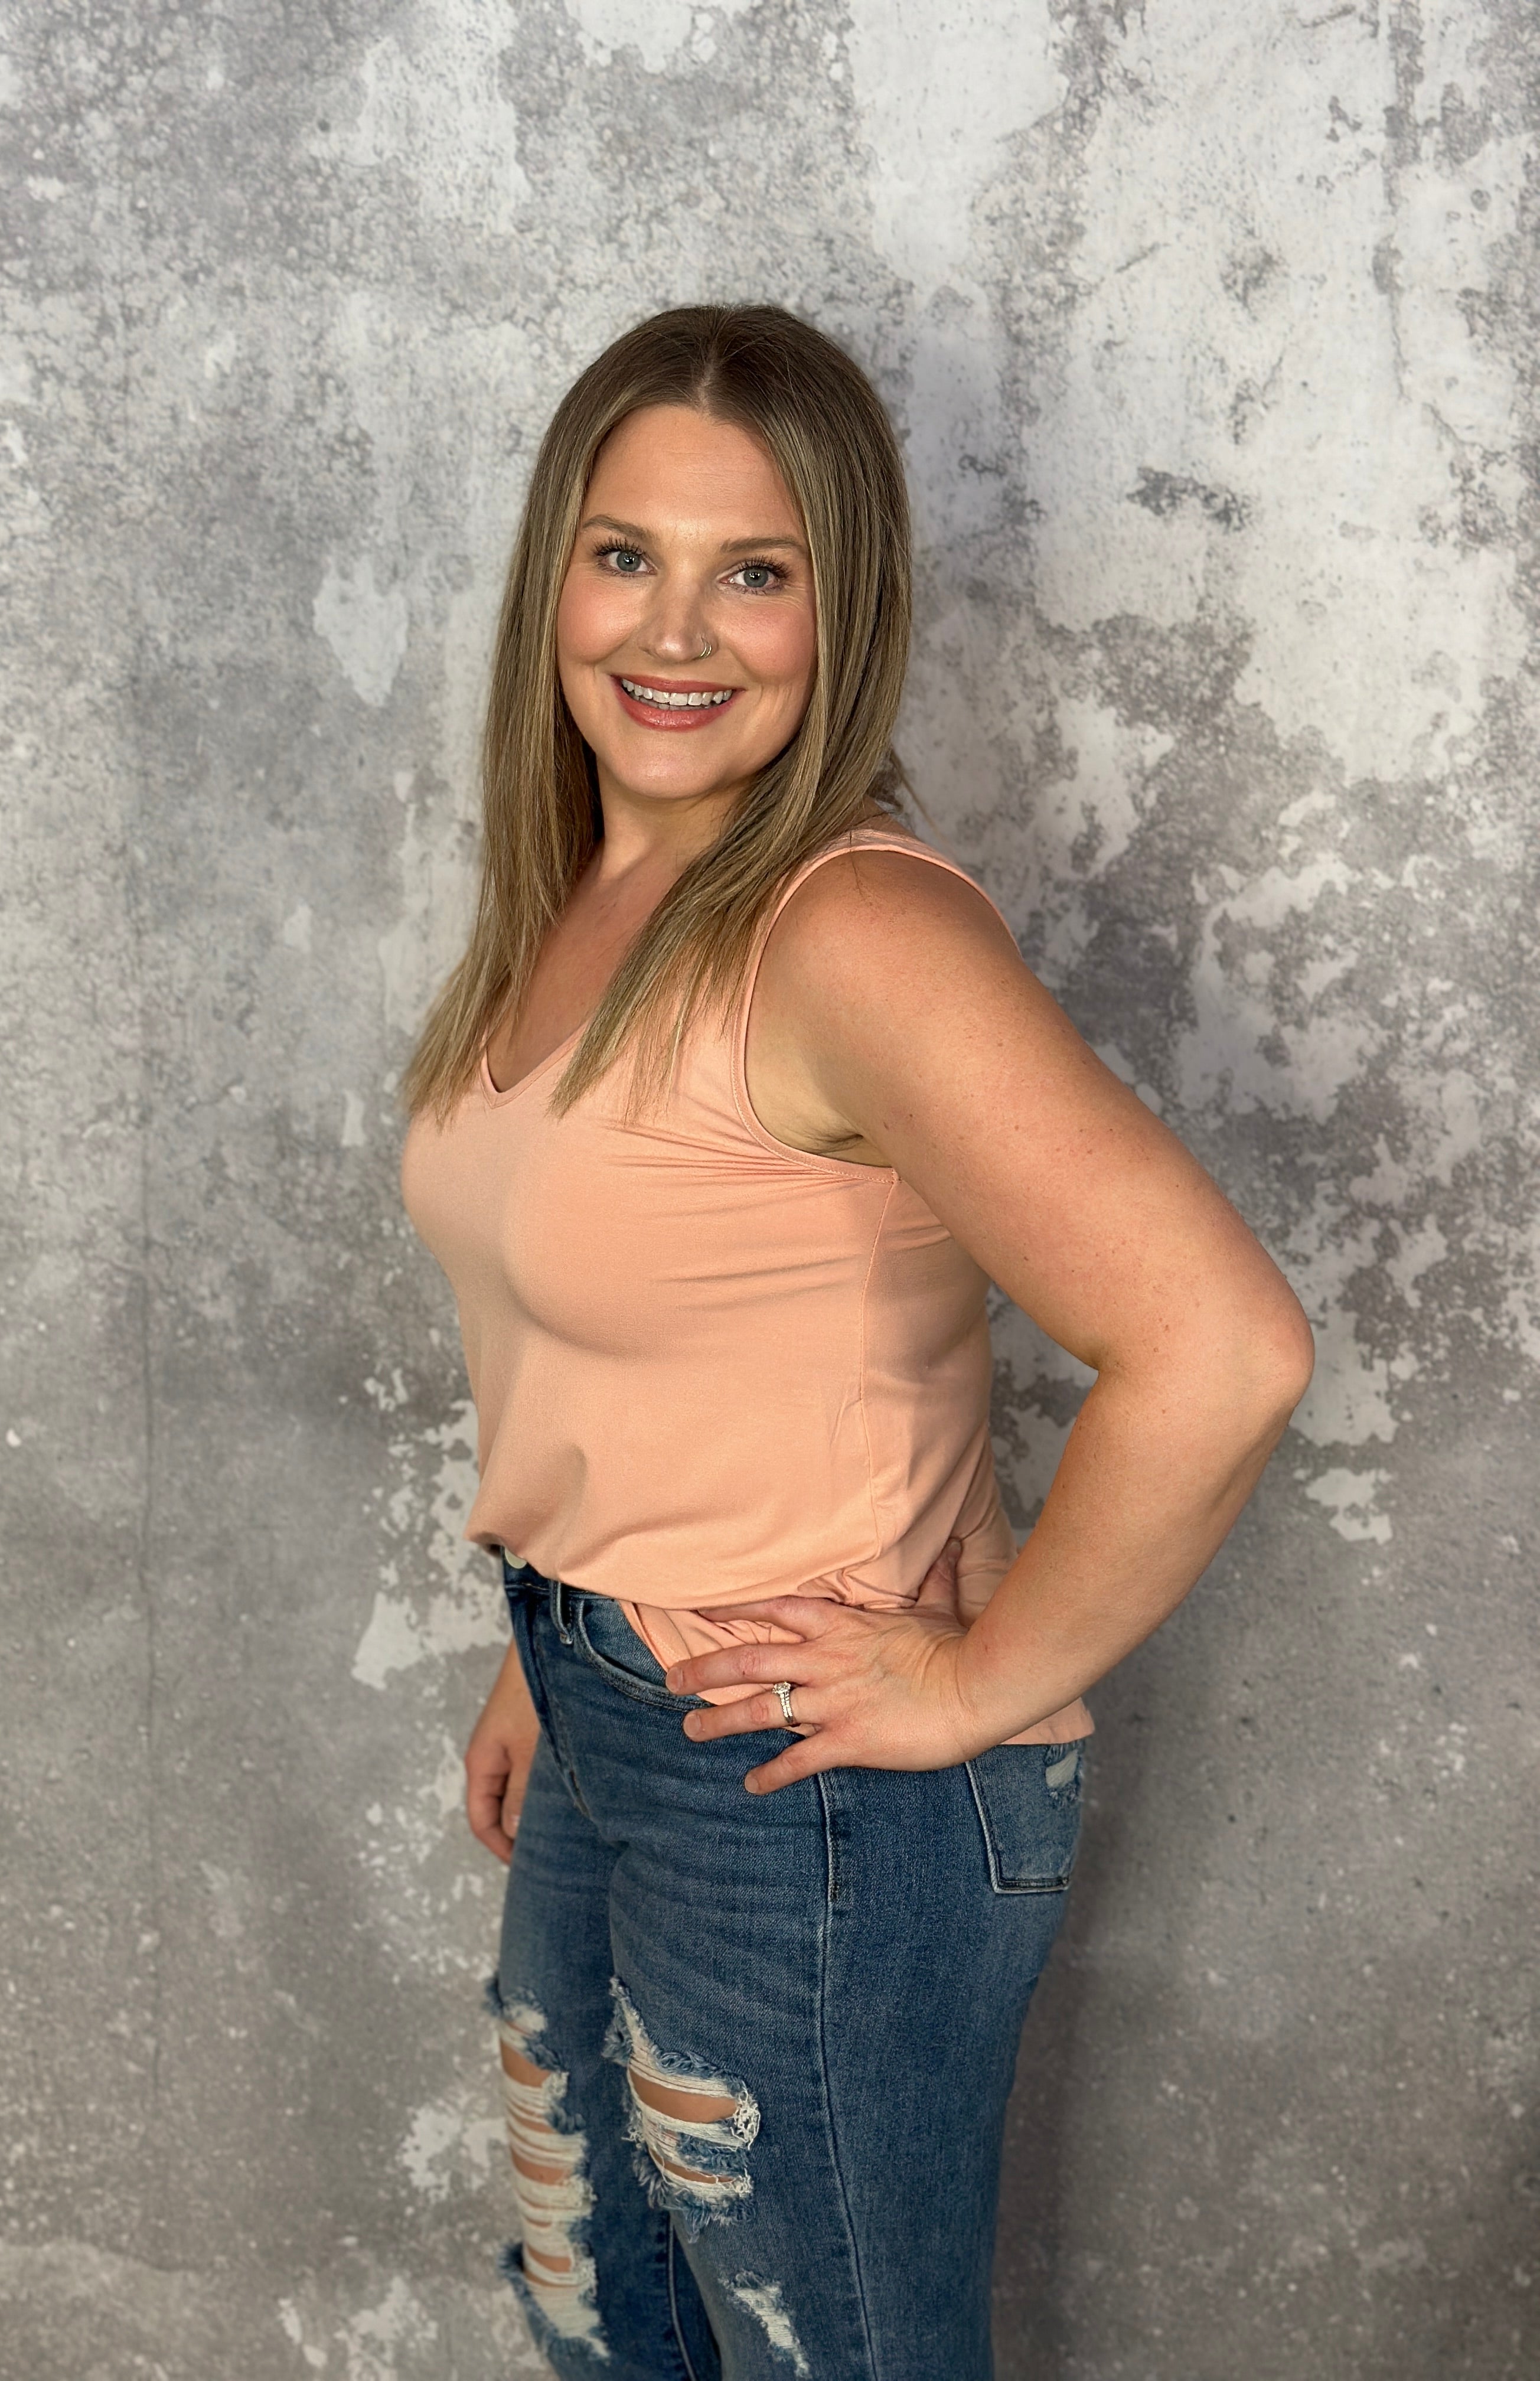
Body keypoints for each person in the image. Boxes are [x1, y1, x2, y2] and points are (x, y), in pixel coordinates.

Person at [400, 304, 1313, 2380]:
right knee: (613, 2326)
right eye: (625, 554)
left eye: (757, 571)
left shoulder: (851, 929)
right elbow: (656, 1332)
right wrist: (556, 1636)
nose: (675, 630)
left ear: (847, 610)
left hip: (803, 1798)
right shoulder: (591, 891)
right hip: (613, 1700)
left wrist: (980, 1679)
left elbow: (1223, 1347)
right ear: (555, 577)